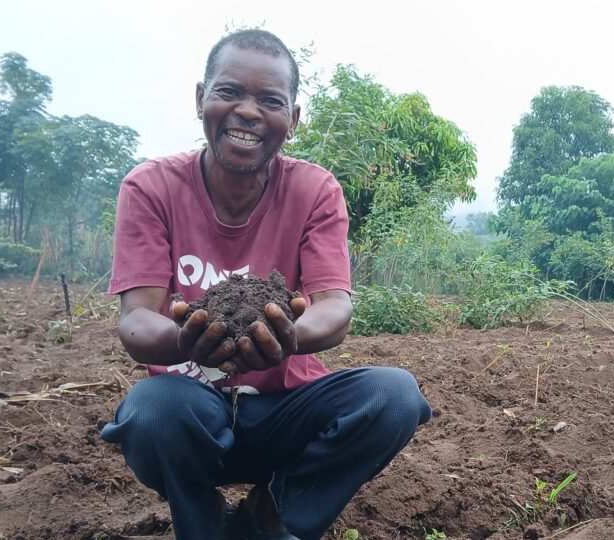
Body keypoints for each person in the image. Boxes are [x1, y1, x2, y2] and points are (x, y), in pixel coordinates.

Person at [100, 29, 432, 540]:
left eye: (270, 101)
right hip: (192, 410)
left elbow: (334, 307)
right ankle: (203, 521)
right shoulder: (152, 187)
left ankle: (270, 514)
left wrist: (287, 337)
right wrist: (189, 341)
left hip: (285, 411)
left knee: (393, 395)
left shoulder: (314, 190)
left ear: (292, 120)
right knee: (152, 410)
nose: (248, 112)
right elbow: (137, 321)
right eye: (229, 92)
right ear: (201, 99)